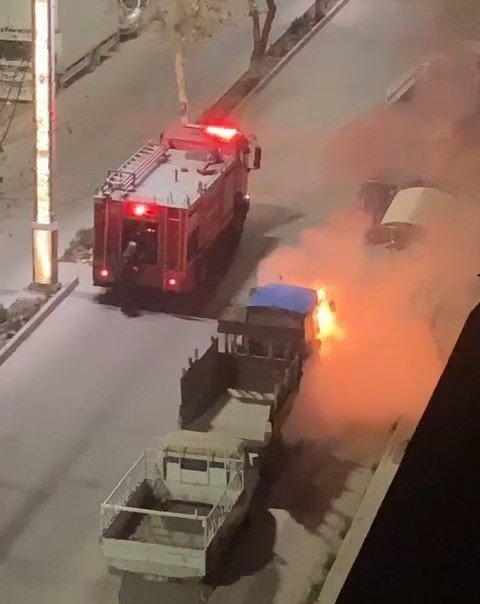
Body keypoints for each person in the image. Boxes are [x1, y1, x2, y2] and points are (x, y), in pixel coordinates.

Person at [119, 240, 140, 316]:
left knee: (128, 292)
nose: (134, 249)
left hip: (128, 277)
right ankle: (126, 307)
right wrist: (134, 268)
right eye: (133, 247)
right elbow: (125, 267)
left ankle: (126, 307)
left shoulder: (129, 255)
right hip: (127, 277)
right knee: (128, 293)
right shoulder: (127, 256)